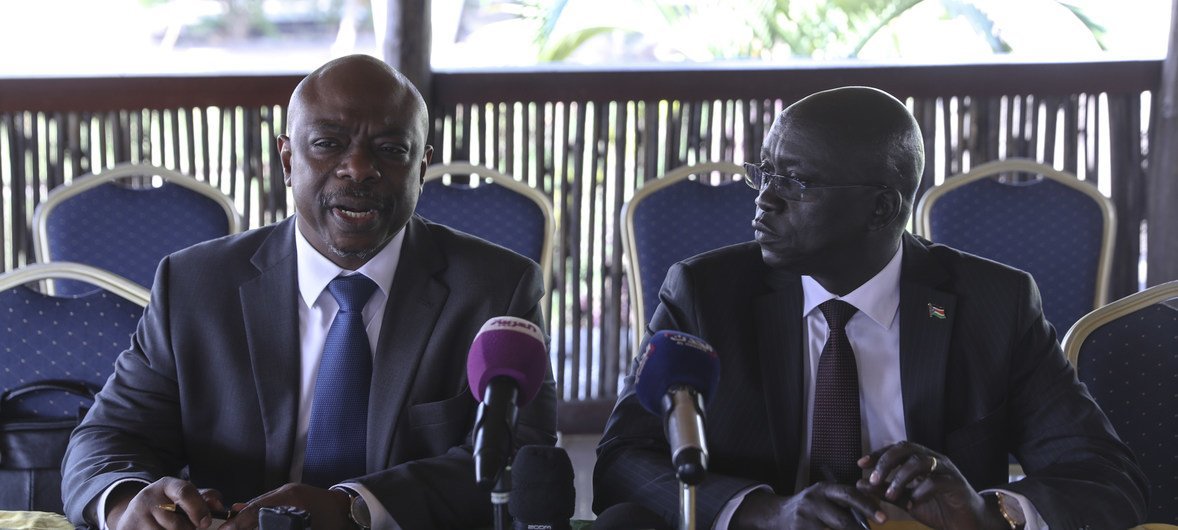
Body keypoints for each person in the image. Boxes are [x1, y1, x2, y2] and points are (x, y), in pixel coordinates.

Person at [593, 86, 1147, 529]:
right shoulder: (706, 294)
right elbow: (624, 458)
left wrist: (987, 514)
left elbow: (1104, 479)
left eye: (795, 181)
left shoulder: (993, 305)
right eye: (764, 173)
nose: (765, 198)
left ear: (881, 208)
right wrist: (763, 513)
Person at [62, 54, 556, 530]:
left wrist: (354, 509)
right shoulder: (194, 285)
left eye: (390, 149)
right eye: (327, 143)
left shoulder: (497, 290)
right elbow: (110, 436)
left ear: (421, 167)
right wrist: (126, 500)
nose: (358, 168)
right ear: (287, 159)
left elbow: (519, 456)